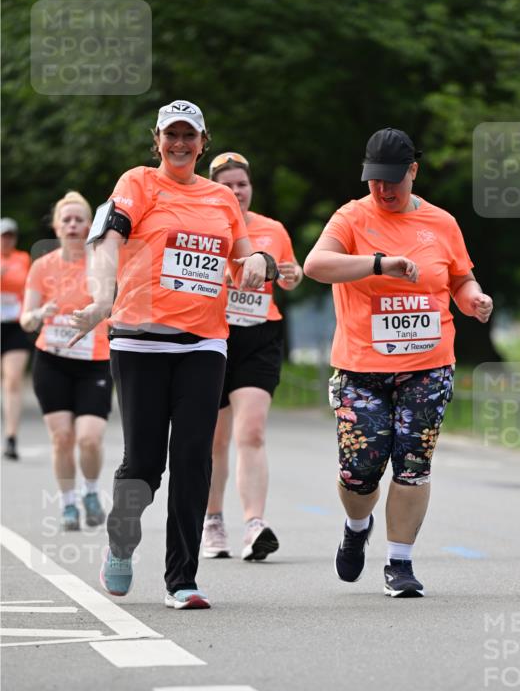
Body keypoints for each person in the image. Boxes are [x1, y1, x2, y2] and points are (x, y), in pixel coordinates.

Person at [68, 101, 277, 610]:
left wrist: (258, 262)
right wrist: (101, 299)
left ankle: (181, 579)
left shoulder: (221, 199)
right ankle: (121, 540)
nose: (180, 144)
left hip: (204, 343)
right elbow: (108, 239)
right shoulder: (138, 182)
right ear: (157, 140)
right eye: (171, 135)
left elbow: (244, 256)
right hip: (140, 340)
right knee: (144, 464)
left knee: (192, 460)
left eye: (189, 136)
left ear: (203, 143)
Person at [304, 127, 493, 597]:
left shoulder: (441, 223)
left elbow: (460, 279)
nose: (383, 189)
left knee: (413, 463)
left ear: (413, 171)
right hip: (360, 368)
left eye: (393, 179)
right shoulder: (351, 217)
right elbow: (316, 265)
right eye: (374, 179)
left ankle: (399, 563)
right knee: (360, 468)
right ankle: (356, 526)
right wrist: (377, 263)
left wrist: (474, 299)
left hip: (428, 364)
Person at [202, 151, 302, 561]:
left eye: (241, 184)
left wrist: (292, 274)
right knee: (215, 439)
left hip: (259, 336)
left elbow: (291, 274)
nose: (236, 191)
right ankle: (212, 521)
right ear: (213, 189)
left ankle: (254, 525)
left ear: (251, 187)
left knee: (253, 432)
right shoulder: (202, 226)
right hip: (212, 335)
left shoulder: (272, 229)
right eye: (226, 185)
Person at [20, 193, 111, 530]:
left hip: (94, 360)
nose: (72, 225)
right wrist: (39, 314)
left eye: (79, 220)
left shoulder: (100, 263)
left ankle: (91, 491)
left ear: (89, 226)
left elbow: (110, 305)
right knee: (61, 438)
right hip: (52, 360)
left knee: (89, 438)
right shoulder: (42, 266)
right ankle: (69, 503)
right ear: (56, 227)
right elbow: (26, 319)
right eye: (66, 220)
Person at [1, 217, 32, 459]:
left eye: (10, 236)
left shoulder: (22, 259)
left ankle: (11, 437)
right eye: (3, 236)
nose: (7, 240)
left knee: (12, 380)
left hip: (14, 326)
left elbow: (27, 285)